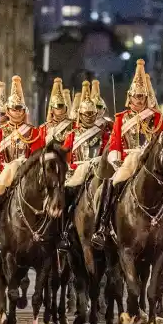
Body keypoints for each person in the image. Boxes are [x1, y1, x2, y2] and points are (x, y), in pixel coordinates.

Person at [92, 60, 163, 250]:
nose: (139, 100)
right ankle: (102, 227)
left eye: (142, 96)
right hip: (127, 162)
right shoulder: (121, 118)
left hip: (150, 163)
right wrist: (115, 158)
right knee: (111, 184)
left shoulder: (157, 118)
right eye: (136, 96)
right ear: (129, 97)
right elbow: (115, 143)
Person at [0, 75, 45, 252]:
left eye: (20, 109)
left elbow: (37, 157)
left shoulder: (33, 132)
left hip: (26, 176)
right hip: (4, 176)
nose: (17, 112)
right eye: (14, 109)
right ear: (8, 110)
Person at [60, 81, 109, 250]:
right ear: (80, 115)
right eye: (86, 114)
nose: (89, 117)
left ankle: (105, 226)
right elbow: (65, 156)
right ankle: (64, 231)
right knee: (65, 196)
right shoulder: (72, 135)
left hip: (96, 171)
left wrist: (99, 160)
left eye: (92, 114)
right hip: (77, 172)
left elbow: (106, 153)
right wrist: (68, 169)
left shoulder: (103, 134)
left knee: (108, 194)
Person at [43, 78, 73, 144]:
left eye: (62, 107)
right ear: (52, 110)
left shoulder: (72, 125)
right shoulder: (44, 128)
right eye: (57, 107)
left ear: (66, 108)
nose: (60, 110)